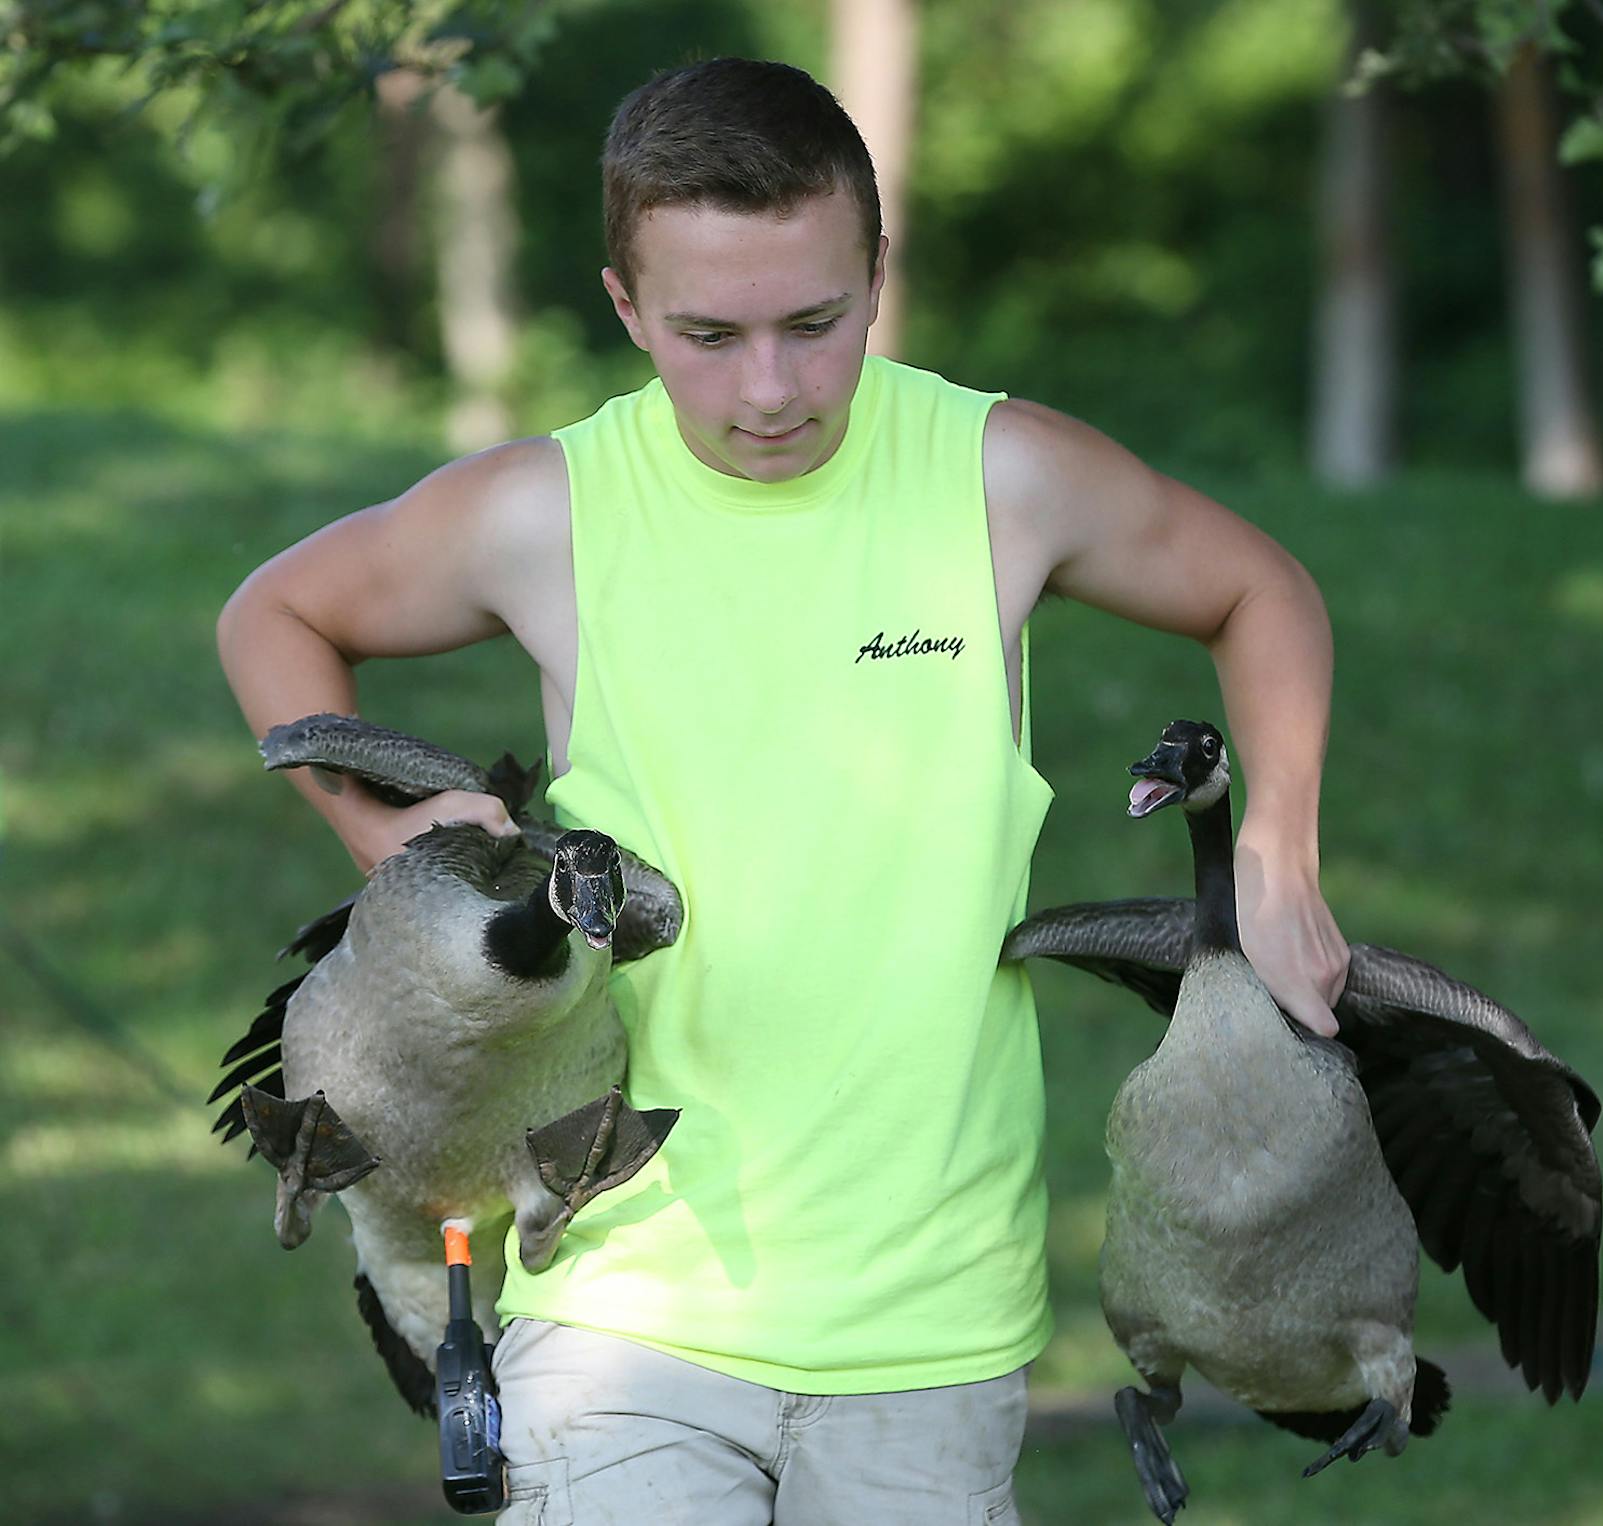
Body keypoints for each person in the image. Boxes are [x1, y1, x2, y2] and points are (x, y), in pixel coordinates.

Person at [217, 55, 1347, 1525]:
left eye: (817, 324)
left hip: (933, 1325)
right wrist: (383, 841)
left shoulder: (997, 479)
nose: (770, 387)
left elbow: (1263, 590)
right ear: (625, 307)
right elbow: (274, 616)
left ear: (877, 272)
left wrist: (1279, 847)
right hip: (622, 1305)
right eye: (708, 333)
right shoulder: (546, 511)